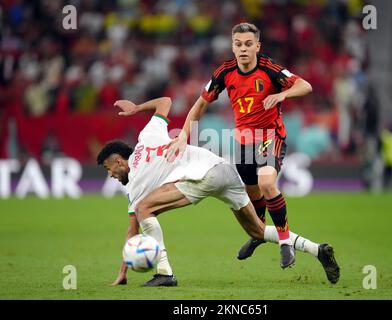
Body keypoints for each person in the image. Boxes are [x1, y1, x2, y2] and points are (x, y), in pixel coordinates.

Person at [97, 97, 340, 286]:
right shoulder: (147, 135)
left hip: (203, 177)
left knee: (143, 209)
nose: (111, 175)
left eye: (109, 169)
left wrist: (122, 271)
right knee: (256, 230)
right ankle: (318, 250)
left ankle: (164, 273)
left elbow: (133, 230)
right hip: (223, 169)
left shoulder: (135, 184)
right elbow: (165, 102)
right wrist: (137, 107)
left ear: (118, 161)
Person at [167, 22, 315, 268]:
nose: (243, 49)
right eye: (238, 44)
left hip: (270, 135)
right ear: (232, 47)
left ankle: (285, 241)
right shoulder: (225, 72)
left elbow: (305, 86)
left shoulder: (269, 68)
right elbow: (200, 104)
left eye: (248, 44)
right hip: (244, 141)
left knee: (267, 183)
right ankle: (258, 235)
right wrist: (183, 135)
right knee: (251, 193)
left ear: (257, 46)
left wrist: (282, 94)